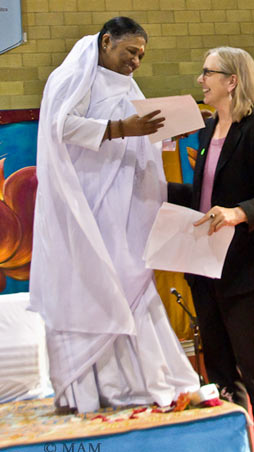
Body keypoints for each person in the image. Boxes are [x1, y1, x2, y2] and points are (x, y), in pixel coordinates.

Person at [29, 17, 199, 414]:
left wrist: (167, 130)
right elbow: (61, 126)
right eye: (130, 52)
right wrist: (124, 127)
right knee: (94, 284)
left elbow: (140, 139)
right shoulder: (72, 76)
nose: (136, 61)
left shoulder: (129, 85)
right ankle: (89, 390)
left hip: (124, 206)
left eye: (141, 55)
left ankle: (143, 382)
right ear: (106, 42)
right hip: (88, 206)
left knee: (132, 281)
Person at [168, 47, 254, 452]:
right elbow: (205, 196)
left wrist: (239, 213)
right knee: (220, 372)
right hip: (206, 269)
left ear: (232, 81)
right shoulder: (206, 129)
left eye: (208, 72)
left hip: (247, 268)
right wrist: (154, 190)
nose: (200, 79)